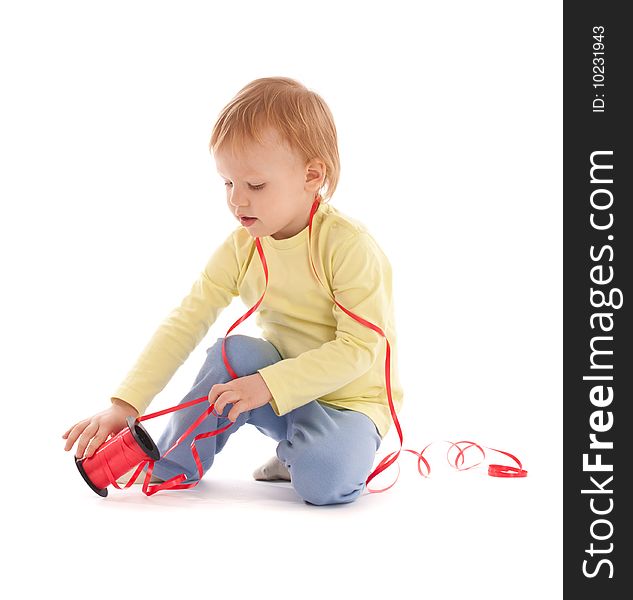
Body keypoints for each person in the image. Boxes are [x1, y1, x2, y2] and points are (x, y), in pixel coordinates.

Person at [62, 76, 404, 505]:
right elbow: (187, 320)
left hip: (349, 403)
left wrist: (267, 384)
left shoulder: (348, 246)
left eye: (255, 186)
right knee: (231, 353)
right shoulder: (243, 246)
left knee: (326, 485)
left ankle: (313, 453)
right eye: (228, 183)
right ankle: (173, 464)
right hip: (276, 389)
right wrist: (126, 404)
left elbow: (359, 349)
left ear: (312, 175)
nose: (237, 201)